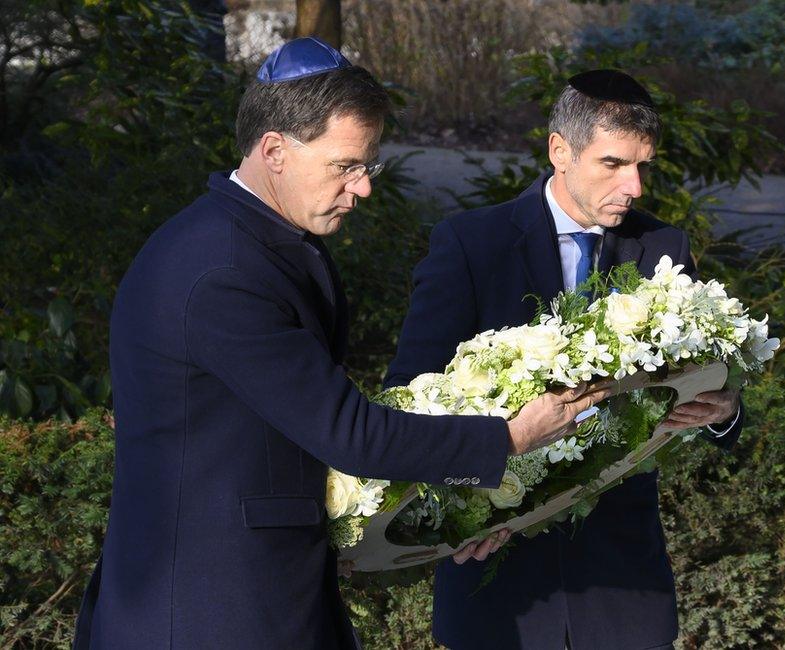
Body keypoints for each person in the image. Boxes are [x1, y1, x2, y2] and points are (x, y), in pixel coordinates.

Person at [71, 38, 609, 650]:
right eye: (345, 166)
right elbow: (348, 434)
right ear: (274, 149)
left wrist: (444, 519)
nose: (364, 189)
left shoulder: (248, 240)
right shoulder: (222, 269)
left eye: (368, 167)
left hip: (258, 592)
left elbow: (285, 441)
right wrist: (511, 436)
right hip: (210, 610)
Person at [384, 70, 743, 650]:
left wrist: (723, 407)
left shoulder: (663, 248)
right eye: (613, 164)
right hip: (496, 577)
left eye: (643, 166)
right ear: (559, 150)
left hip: (623, 580)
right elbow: (408, 395)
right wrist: (458, 510)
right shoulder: (470, 244)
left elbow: (707, 387)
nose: (635, 186)